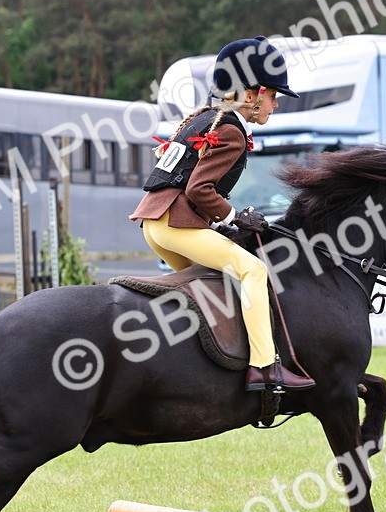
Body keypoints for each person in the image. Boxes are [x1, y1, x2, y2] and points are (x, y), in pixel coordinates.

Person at [128, 36, 314, 391]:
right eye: (273, 96)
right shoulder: (229, 130)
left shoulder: (204, 119)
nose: (275, 105)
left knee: (216, 288)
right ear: (250, 94)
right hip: (174, 224)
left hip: (155, 225)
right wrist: (234, 217)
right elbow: (200, 189)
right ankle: (264, 368)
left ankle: (207, 363)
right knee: (253, 271)